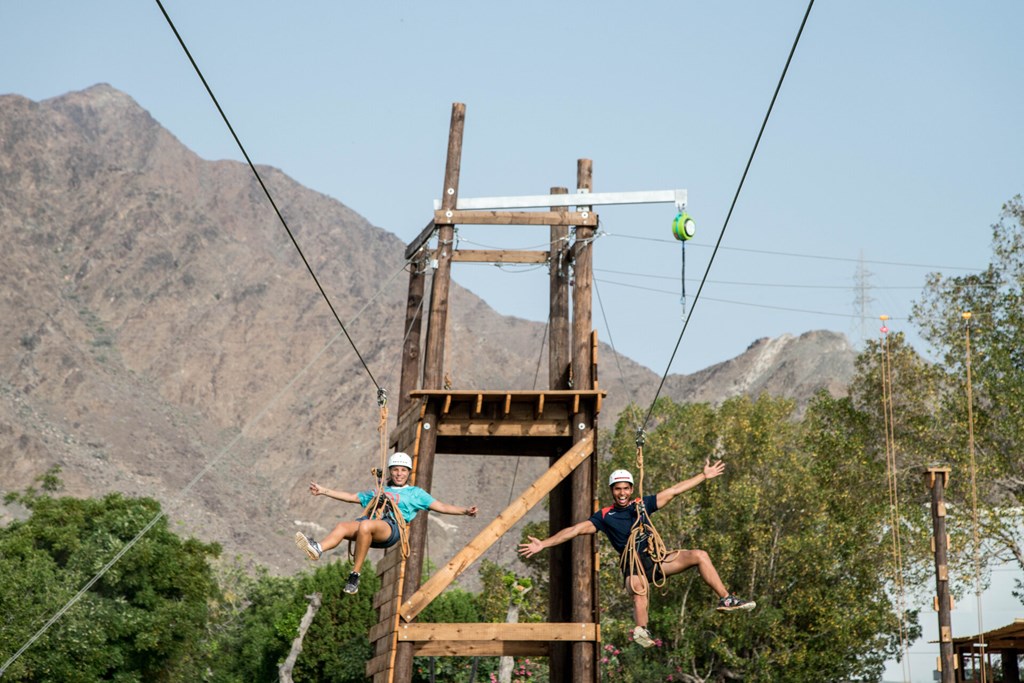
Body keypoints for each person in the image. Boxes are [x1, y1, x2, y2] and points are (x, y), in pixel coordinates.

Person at [519, 460, 754, 648]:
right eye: (617, 489)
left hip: (657, 560)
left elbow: (673, 491)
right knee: (639, 594)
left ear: (631, 489)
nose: (622, 493)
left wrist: (703, 476)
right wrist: (544, 544)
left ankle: (725, 598)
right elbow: (576, 530)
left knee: (700, 555)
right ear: (612, 491)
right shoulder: (604, 516)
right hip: (633, 567)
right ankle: (642, 631)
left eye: (625, 488)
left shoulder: (642, 505)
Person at [295, 451, 478, 594]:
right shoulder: (380, 490)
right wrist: (323, 490)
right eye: (396, 470)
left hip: (391, 529)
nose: (399, 474)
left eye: (403, 470)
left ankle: (355, 575)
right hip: (372, 525)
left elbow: (442, 507)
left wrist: (464, 511)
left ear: (408, 473)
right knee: (342, 526)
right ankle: (318, 548)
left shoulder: (416, 493)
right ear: (391, 471)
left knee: (365, 525)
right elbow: (351, 497)